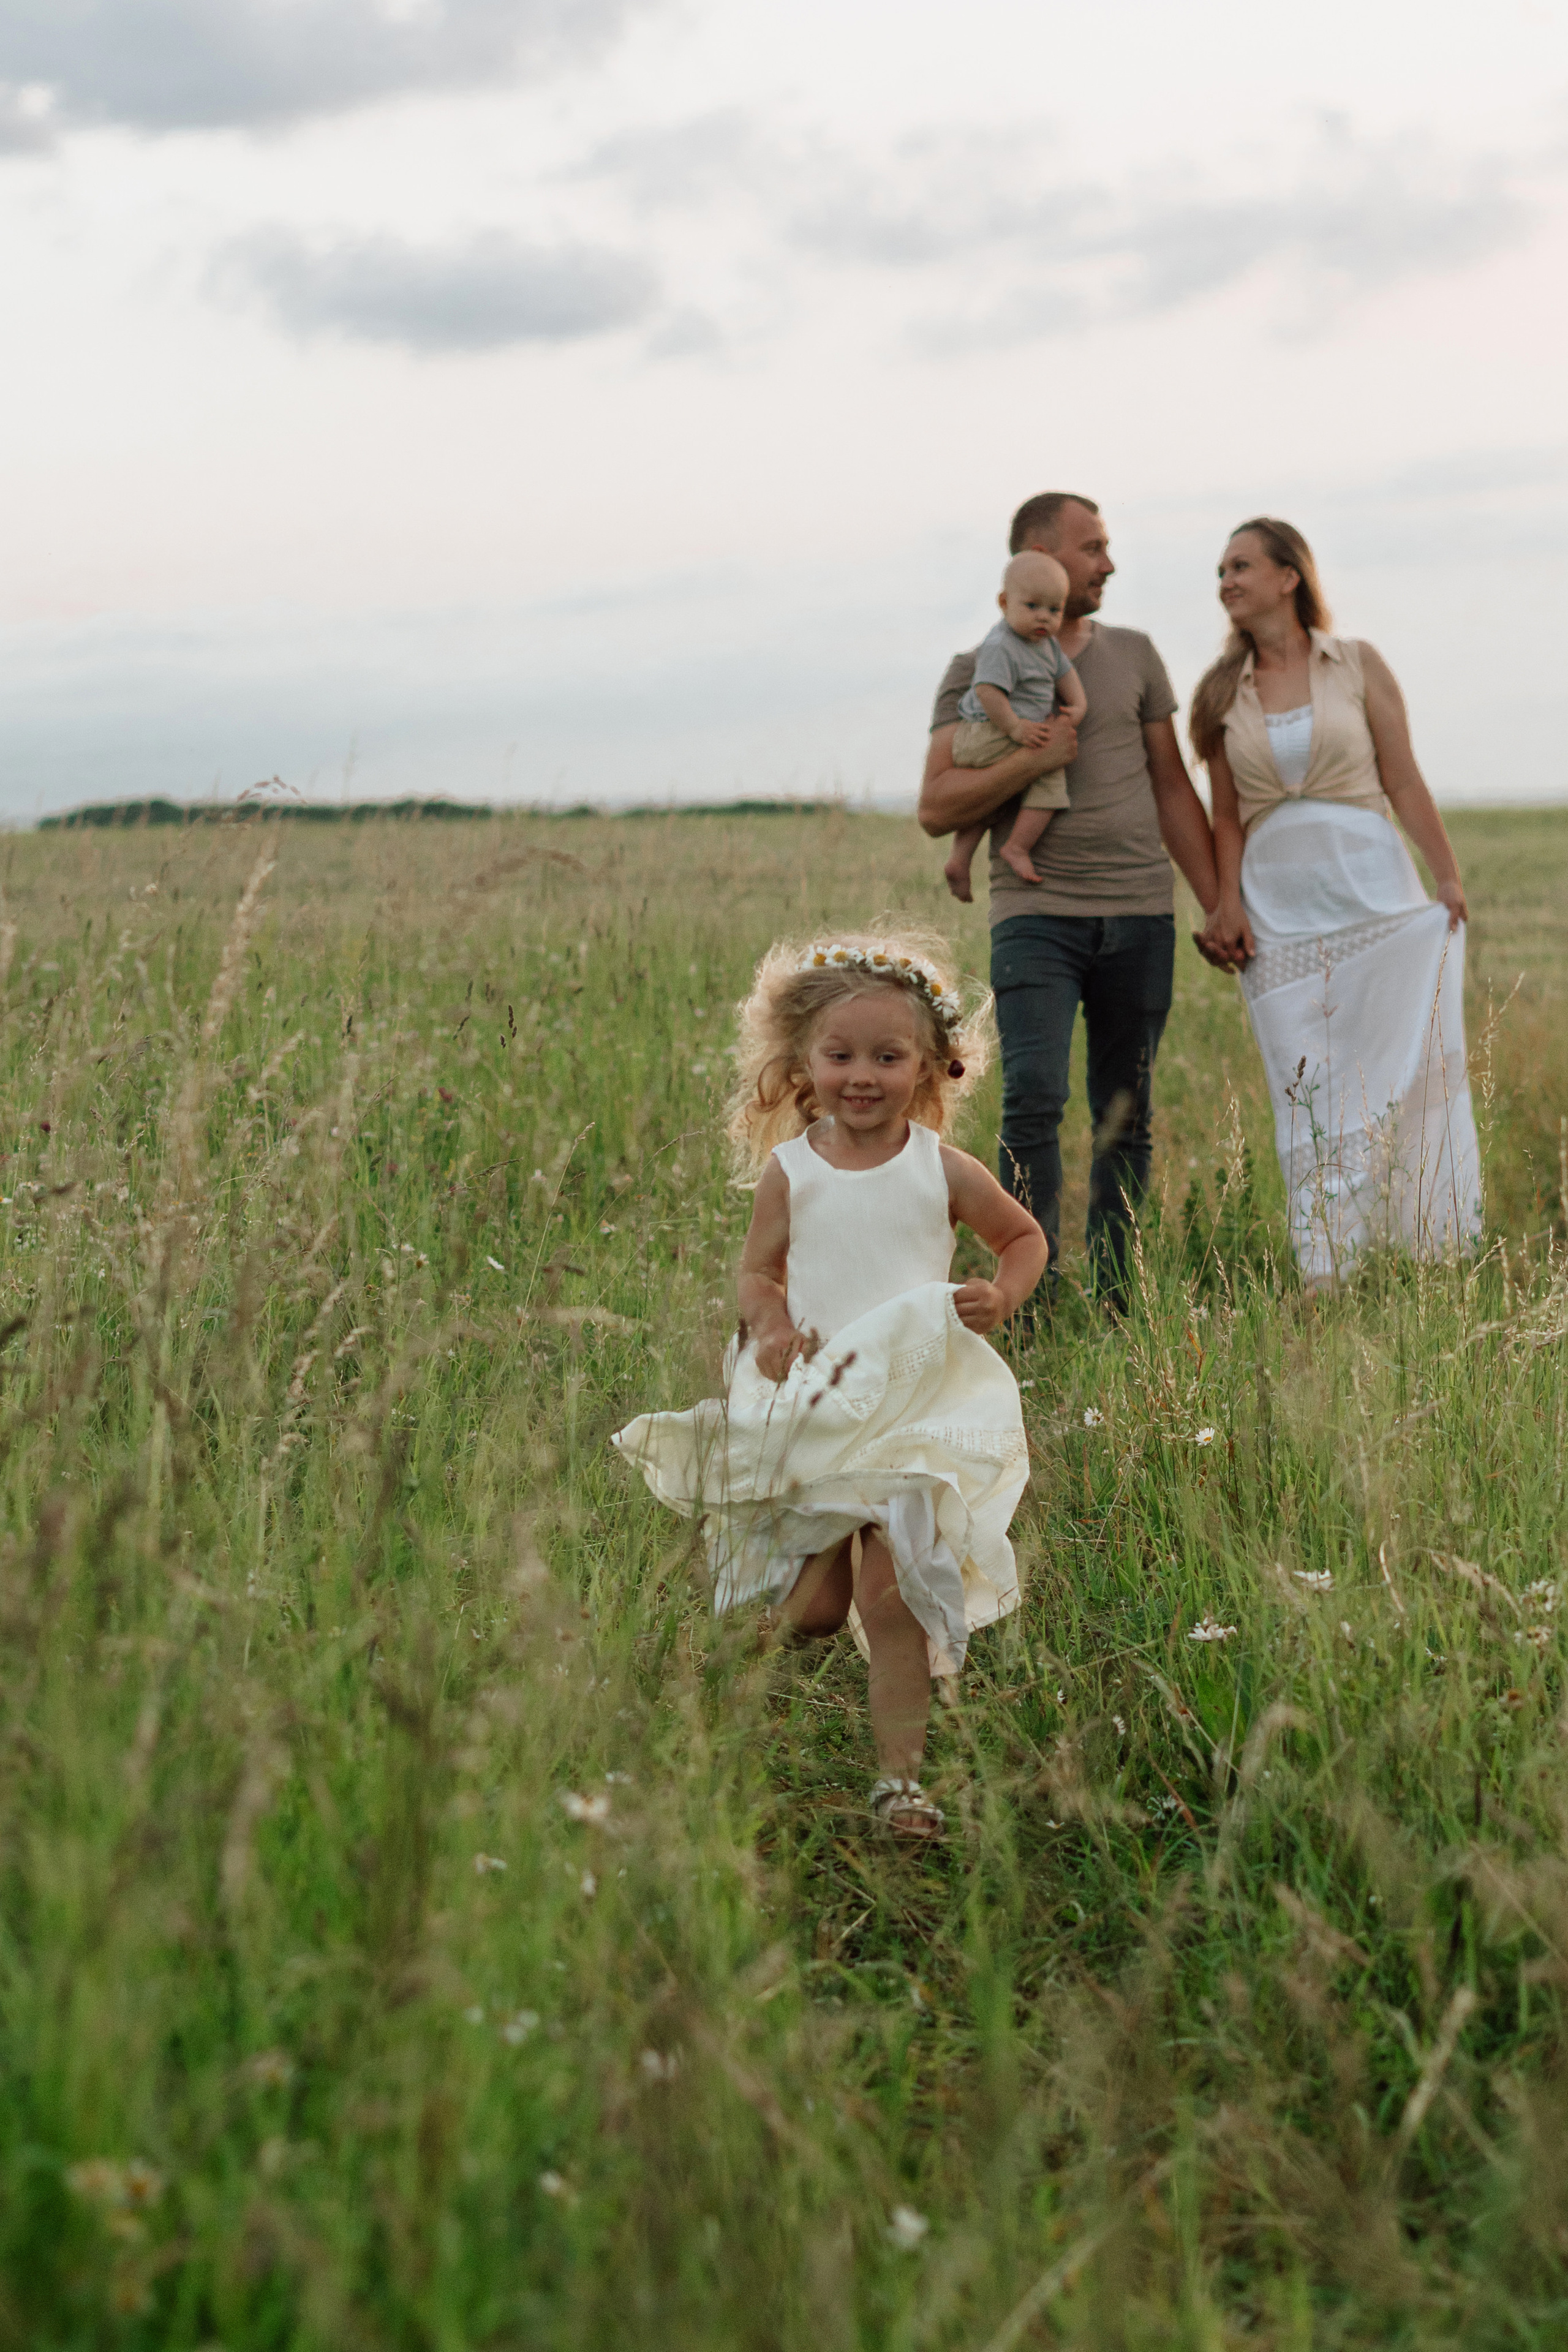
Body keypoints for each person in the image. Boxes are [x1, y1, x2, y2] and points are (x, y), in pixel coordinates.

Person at [612, 932, 1047, 1840]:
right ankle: (734, 1670)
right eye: (840, 1055)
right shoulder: (793, 1171)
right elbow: (758, 1274)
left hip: (913, 1404)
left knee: (892, 1600)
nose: (862, 1075)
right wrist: (767, 1325)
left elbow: (1025, 1238)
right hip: (814, 1397)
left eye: (888, 1058)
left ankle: (900, 1784)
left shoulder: (942, 1168)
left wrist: (1003, 1292)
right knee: (813, 1614)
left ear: (931, 1067)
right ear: (802, 1063)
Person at [919, 492, 1223, 1308]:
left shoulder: (1135, 654)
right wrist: (1032, 757)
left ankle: (1121, 1293)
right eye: (1093, 548)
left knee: (1129, 1113)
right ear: (1039, 555)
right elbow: (938, 807)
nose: (1109, 563)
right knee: (1034, 1101)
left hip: (1140, 915)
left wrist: (1216, 902)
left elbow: (1170, 785)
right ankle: (1036, 1292)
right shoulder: (972, 672)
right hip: (1035, 919)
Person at [1194, 518, 1481, 1285]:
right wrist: (1227, 905)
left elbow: (1403, 778)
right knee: (1308, 1086)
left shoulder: (1355, 665)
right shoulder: (1222, 691)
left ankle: (1415, 1248)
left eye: (1241, 565)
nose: (1225, 580)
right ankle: (1324, 1267)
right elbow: (1224, 816)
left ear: (1290, 576)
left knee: (1391, 1072)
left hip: (1374, 896)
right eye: (1220, 569)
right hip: (1278, 908)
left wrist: (1445, 877)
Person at [943, 549, 1088, 901]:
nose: (1044, 618)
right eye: (1033, 606)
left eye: (1054, 610)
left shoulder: (1046, 645)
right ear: (1004, 602)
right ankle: (1018, 847)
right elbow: (988, 691)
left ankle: (959, 859)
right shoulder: (1000, 645)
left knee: (995, 798)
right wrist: (1015, 728)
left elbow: (1067, 677)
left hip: (999, 732)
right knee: (1050, 775)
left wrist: (1079, 706)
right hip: (988, 731)